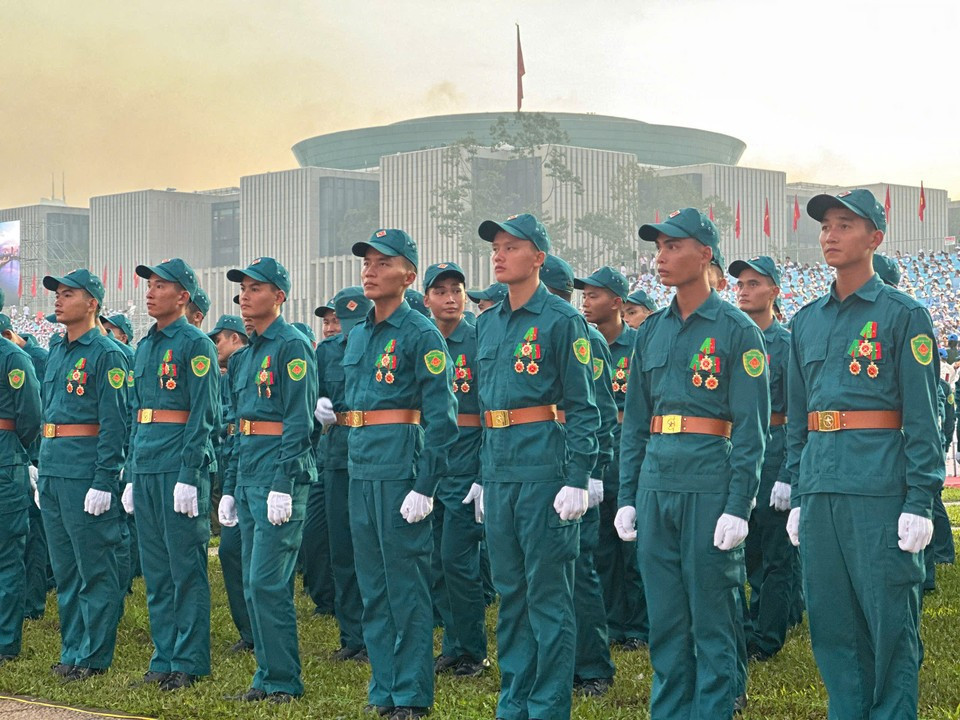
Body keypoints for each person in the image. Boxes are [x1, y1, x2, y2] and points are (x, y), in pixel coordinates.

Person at [786, 189, 941, 719]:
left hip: (878, 490)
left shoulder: (904, 315)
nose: (830, 234)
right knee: (832, 626)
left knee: (890, 627)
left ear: (875, 237)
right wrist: (799, 491)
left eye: (845, 225)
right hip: (822, 488)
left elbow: (924, 417)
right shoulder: (804, 321)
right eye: (826, 225)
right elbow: (798, 418)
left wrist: (920, 499)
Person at [615, 208, 769, 720]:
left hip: (709, 483)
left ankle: (717, 708)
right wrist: (629, 496)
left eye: (673, 246)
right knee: (666, 617)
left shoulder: (737, 331)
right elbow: (636, 424)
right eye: (658, 248)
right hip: (658, 484)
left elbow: (752, 429)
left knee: (713, 614)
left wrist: (739, 504)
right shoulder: (652, 331)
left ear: (705, 253)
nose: (661, 257)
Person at [475, 213, 599, 720]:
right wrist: (482, 477)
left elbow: (584, 407)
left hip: (545, 474)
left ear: (539, 258)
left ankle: (548, 705)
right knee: (510, 595)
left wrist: (577, 478)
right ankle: (514, 702)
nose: (499, 255)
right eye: (496, 247)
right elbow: (486, 412)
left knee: (547, 597)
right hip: (500, 473)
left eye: (511, 246)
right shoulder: (485, 323)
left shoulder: (562, 320)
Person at [341, 229, 456, 720]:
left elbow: (443, 420)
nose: (369, 269)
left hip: (401, 469)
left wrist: (426, 486)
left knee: (406, 587)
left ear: (408, 275)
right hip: (362, 468)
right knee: (374, 587)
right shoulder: (361, 333)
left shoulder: (420, 333)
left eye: (382, 262)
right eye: (366, 261)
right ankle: (383, 688)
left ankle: (410, 694)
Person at [219, 257, 318, 703]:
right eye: (242, 288)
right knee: (250, 581)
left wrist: (283, 479)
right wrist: (229, 487)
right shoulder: (246, 355)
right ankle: (266, 675)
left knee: (267, 582)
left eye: (255, 288)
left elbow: (299, 422)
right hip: (250, 476)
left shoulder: (291, 346)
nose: (244, 296)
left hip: (280, 478)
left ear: (279, 295)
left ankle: (283, 680)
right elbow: (241, 426)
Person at [127, 258, 219, 691]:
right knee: (157, 570)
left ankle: (189, 658)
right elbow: (136, 414)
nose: (151, 291)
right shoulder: (145, 347)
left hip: (178, 468)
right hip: (145, 465)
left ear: (183, 296)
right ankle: (163, 655)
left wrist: (190, 470)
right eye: (149, 284)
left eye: (161, 285)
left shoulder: (195, 343)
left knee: (186, 568)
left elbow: (204, 413)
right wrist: (130, 471)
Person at [38, 269, 129, 681]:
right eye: (57, 293)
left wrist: (104, 480)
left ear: (92, 302)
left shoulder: (106, 353)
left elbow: (115, 424)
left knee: (95, 566)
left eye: (67, 293)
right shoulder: (58, 350)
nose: (58, 300)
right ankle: (72, 649)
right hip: (55, 469)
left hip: (84, 470)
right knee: (67, 570)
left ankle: (93, 656)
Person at [576, 267, 649, 653]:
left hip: (632, 448)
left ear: (617, 303)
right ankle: (610, 619)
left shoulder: (639, 344)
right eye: (584, 296)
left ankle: (637, 624)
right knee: (602, 543)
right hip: (598, 449)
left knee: (632, 545)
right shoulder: (581, 342)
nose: (586, 302)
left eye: (595, 296)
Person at [421, 262, 489, 678]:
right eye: (441, 291)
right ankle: (454, 643)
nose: (450, 298)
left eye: (457, 290)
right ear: (427, 298)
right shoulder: (421, 339)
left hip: (467, 464)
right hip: (431, 466)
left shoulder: (479, 340)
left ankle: (474, 650)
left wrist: (484, 471)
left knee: (458, 560)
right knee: (435, 561)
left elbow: (490, 410)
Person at [728, 256, 795, 661]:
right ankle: (749, 626)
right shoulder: (732, 338)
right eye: (740, 284)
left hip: (774, 449)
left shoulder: (786, 344)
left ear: (774, 291)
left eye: (753, 284)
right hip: (736, 450)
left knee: (775, 554)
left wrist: (789, 472)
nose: (744, 290)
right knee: (745, 548)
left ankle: (768, 637)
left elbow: (799, 413)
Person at [312, 287, 372, 663]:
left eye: (350, 323)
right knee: (342, 548)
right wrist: (318, 405)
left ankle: (376, 631)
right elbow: (315, 394)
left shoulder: (374, 344)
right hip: (336, 456)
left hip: (373, 455)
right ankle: (353, 635)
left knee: (371, 549)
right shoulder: (325, 352)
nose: (341, 330)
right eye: (337, 321)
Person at [207, 314, 253, 653]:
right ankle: (249, 632)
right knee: (230, 550)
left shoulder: (250, 365)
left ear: (235, 338)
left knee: (257, 558)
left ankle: (261, 634)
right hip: (234, 464)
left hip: (258, 465)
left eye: (219, 339)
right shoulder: (229, 372)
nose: (215, 346)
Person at [0, 312, 50, 621]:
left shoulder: (13, 357)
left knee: (7, 552)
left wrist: (15, 447)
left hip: (5, 456)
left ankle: (4, 639)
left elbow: (31, 416)